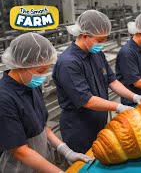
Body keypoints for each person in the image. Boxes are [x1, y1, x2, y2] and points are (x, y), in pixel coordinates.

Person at [52, 10, 141, 154]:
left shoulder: (96, 53)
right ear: (85, 36)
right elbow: (87, 100)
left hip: (99, 121)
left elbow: (112, 81)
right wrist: (118, 106)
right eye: (99, 40)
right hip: (80, 128)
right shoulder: (69, 63)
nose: (102, 44)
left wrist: (134, 97)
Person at [0, 33, 91, 172]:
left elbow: (42, 127)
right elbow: (19, 150)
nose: (44, 75)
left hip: (42, 163)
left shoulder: (31, 85)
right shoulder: (4, 98)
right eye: (41, 70)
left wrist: (65, 150)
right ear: (21, 65)